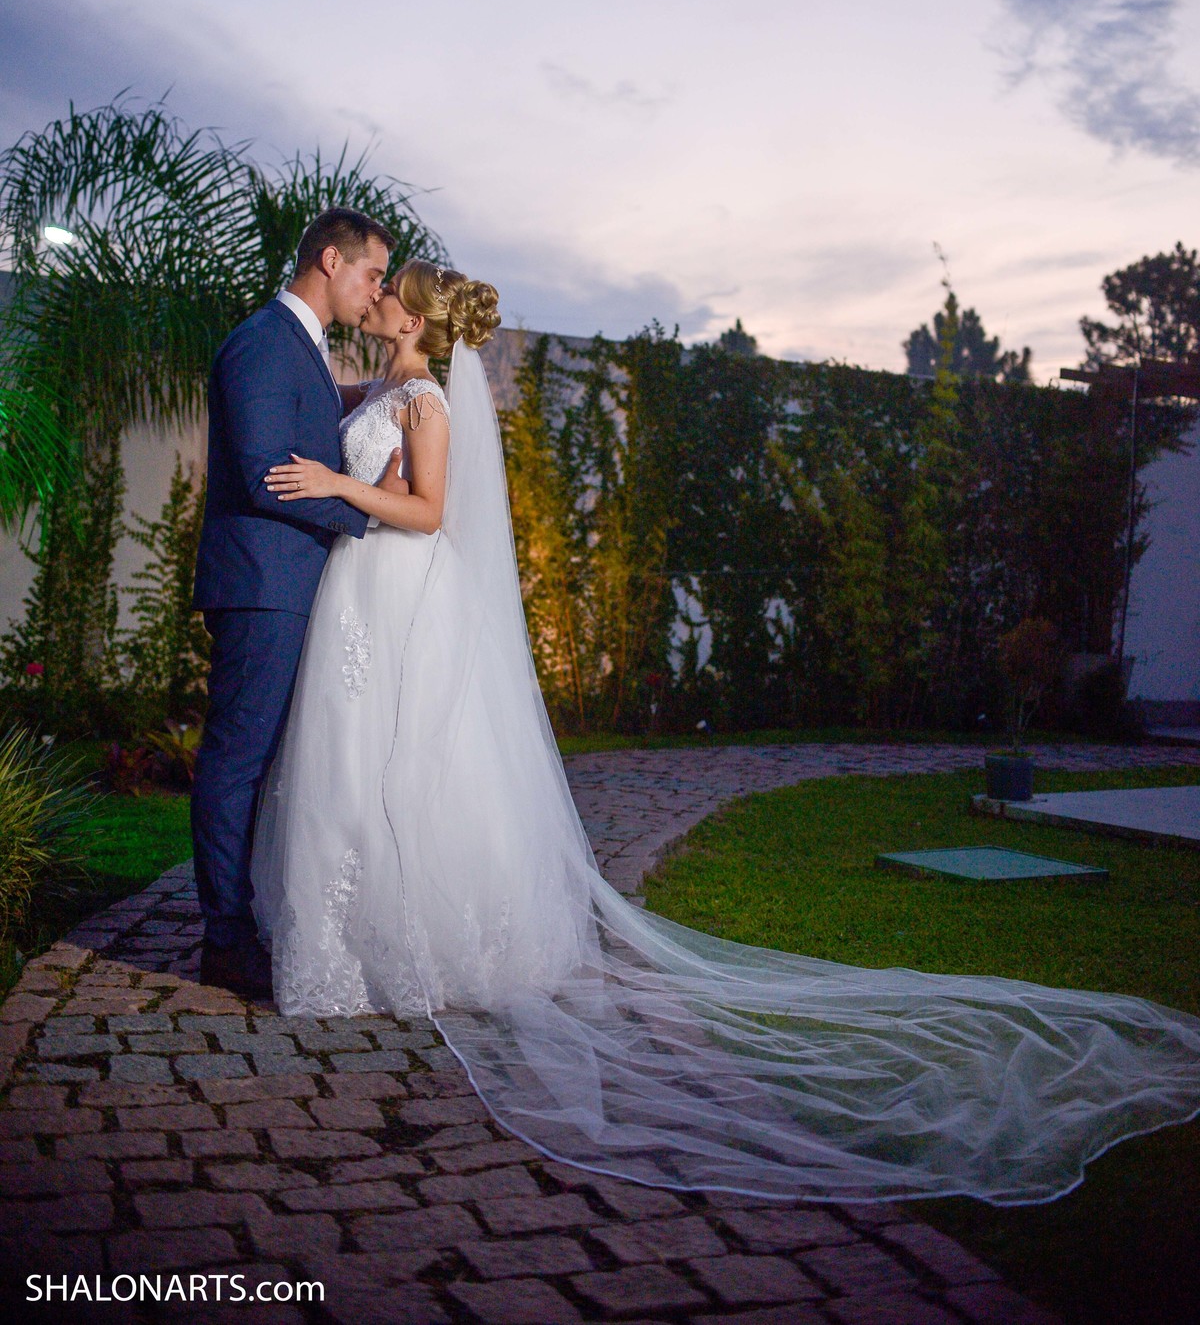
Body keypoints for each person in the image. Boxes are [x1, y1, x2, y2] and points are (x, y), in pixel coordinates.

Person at [251, 263, 1200, 1203]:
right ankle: (344, 936)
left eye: (390, 289)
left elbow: (427, 512)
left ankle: (413, 940)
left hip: (399, 590)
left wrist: (337, 481)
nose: (377, 294)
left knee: (405, 759)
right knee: (357, 761)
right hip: (363, 592)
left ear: (414, 319)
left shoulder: (426, 400)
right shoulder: (381, 388)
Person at [191, 207, 395, 1001]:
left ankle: (250, 918)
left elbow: (305, 412)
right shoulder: (262, 342)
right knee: (238, 761)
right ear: (331, 260)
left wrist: (380, 392)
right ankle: (225, 940)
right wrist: (366, 514)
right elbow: (263, 472)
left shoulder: (298, 347)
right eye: (372, 274)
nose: (375, 291)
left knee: (269, 761)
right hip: (262, 585)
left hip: (289, 583)